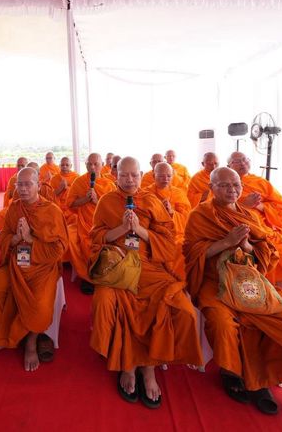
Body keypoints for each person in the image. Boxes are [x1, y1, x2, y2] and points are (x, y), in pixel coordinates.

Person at [183, 167, 282, 416]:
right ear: (211, 188)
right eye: (224, 185)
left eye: (236, 185)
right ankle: (231, 372)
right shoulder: (199, 215)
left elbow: (267, 252)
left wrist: (247, 247)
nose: (232, 190)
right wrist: (226, 243)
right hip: (215, 281)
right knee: (221, 323)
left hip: (248, 280)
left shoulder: (248, 216)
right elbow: (192, 254)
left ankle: (267, 372)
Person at [90, 157, 201, 408]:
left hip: (150, 268)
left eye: (134, 175)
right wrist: (121, 229)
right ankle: (127, 367)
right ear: (116, 176)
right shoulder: (107, 202)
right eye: (124, 175)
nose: (129, 180)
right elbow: (96, 238)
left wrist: (139, 231)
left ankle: (148, 368)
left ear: (141, 176)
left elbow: (168, 240)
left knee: (183, 311)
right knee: (105, 301)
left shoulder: (151, 201)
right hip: (118, 269)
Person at [0, 167, 68, 371]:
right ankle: (3, 334)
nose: (24, 189)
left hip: (42, 268)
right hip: (15, 263)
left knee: (39, 306)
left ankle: (29, 342)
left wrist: (30, 239)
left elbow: (58, 250)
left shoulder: (52, 211)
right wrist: (16, 239)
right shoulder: (14, 208)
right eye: (20, 184)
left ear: (38, 185)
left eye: (28, 184)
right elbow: (4, 238)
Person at [228, 152, 282, 295]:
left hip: (264, 230)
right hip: (241, 230)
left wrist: (260, 207)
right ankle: (269, 294)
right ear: (229, 165)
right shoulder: (224, 182)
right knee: (265, 257)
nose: (242, 163)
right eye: (237, 161)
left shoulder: (261, 183)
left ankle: (276, 292)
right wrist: (244, 204)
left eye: (245, 159)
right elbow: (215, 207)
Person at [65, 153, 115, 293]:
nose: (92, 167)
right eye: (89, 164)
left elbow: (114, 209)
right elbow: (70, 204)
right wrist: (85, 200)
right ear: (85, 165)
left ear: (102, 164)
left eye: (96, 164)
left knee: (104, 245)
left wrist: (97, 201)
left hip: (104, 225)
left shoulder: (109, 184)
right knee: (83, 244)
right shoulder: (79, 182)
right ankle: (87, 278)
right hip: (84, 223)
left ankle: (102, 277)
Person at [146, 162, 191, 260]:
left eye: (169, 176)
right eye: (161, 176)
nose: (166, 179)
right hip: (153, 232)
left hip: (175, 233)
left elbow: (186, 218)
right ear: (154, 176)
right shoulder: (146, 193)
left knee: (182, 246)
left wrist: (172, 213)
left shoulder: (178, 193)